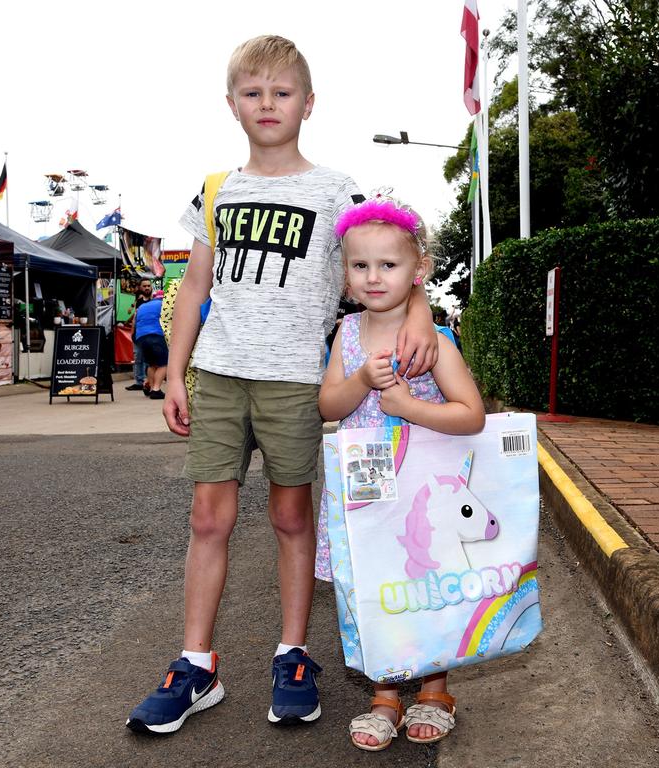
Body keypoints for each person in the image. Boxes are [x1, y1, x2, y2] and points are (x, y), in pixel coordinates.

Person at [125, 35, 439, 735]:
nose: (268, 104)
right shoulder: (215, 190)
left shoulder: (332, 188)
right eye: (253, 92)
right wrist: (175, 374)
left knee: (293, 518)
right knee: (209, 519)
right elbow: (196, 284)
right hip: (220, 374)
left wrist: (416, 306)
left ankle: (293, 656)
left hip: (297, 379)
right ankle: (195, 665)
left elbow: (395, 244)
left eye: (282, 92)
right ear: (232, 103)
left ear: (308, 103)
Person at [315, 196, 486, 751]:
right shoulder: (346, 336)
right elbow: (329, 406)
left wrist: (410, 408)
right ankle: (384, 694)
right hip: (367, 494)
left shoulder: (432, 342)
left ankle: (435, 690)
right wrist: (362, 377)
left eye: (388, 265)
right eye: (360, 265)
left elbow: (471, 415)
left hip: (422, 491)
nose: (373, 276)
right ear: (346, 273)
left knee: (428, 587)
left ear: (420, 269)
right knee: (377, 585)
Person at [133, 289, 168, 400]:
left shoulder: (143, 306)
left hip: (141, 337)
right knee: (164, 363)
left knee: (151, 364)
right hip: (156, 335)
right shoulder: (164, 304)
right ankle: (156, 389)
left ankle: (152, 388)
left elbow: (134, 321)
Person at [125, 278, 154, 393]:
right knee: (138, 358)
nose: (147, 288)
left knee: (149, 360)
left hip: (151, 333)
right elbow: (135, 317)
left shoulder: (155, 300)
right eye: (144, 286)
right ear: (140, 288)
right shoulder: (138, 301)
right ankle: (138, 382)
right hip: (139, 334)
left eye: (148, 286)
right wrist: (132, 331)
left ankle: (148, 382)